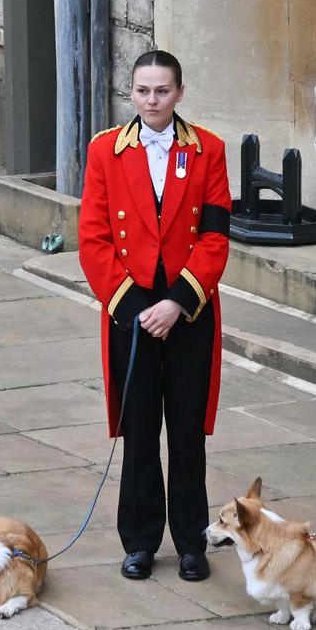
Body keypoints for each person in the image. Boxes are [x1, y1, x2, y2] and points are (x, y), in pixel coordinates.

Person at [78, 50, 231, 583]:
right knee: (140, 431)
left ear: (180, 93)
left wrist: (179, 303)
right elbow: (93, 240)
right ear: (132, 93)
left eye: (162, 91)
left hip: (187, 311)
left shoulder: (208, 149)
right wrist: (135, 307)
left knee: (187, 432)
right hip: (132, 312)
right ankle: (140, 540)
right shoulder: (104, 151)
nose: (152, 101)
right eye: (143, 91)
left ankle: (192, 542)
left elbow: (215, 237)